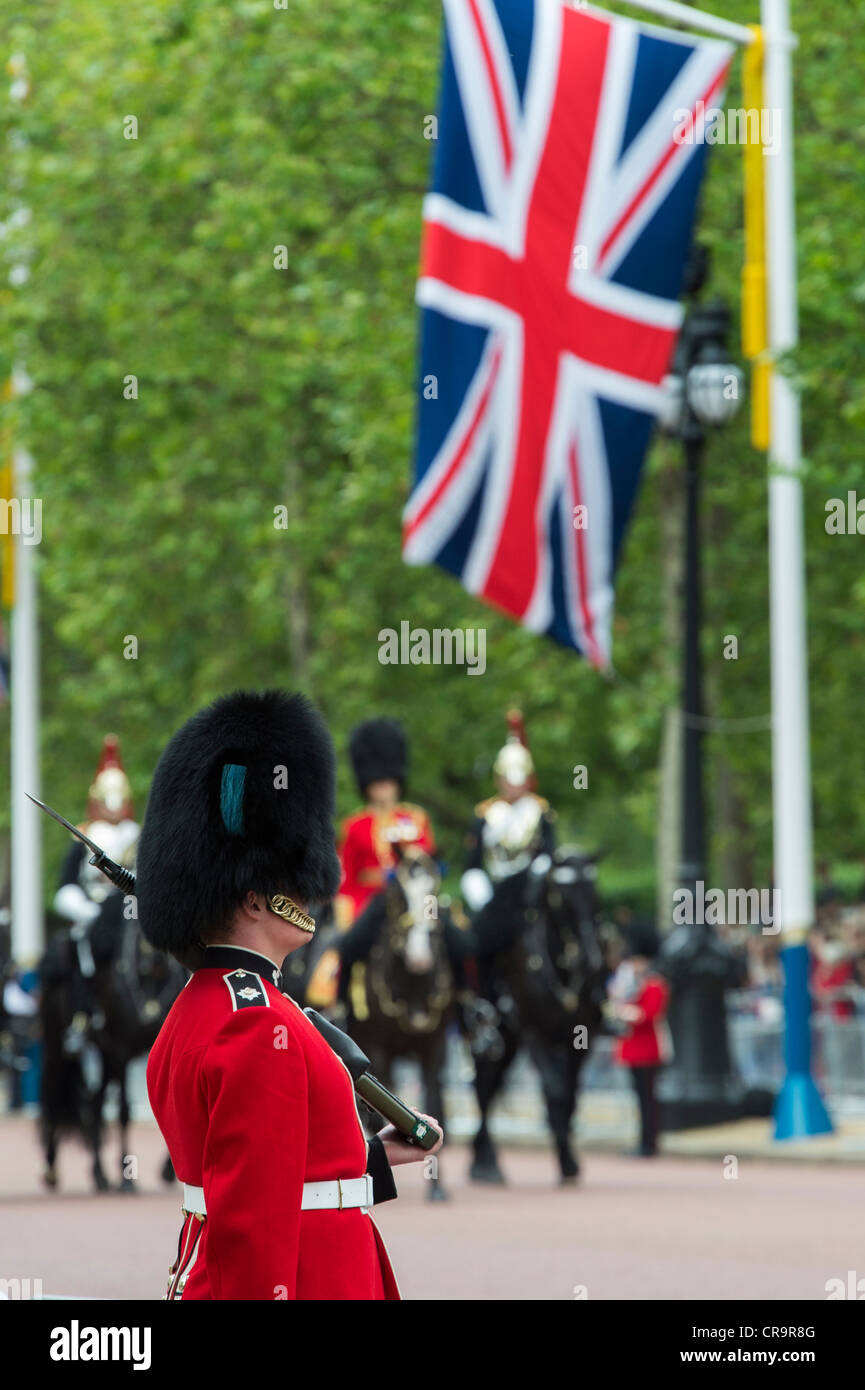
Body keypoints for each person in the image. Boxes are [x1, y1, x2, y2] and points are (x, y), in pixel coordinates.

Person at [138, 689, 442, 1301]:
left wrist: (371, 1159)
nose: (310, 895)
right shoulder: (256, 1024)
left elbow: (273, 1177)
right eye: (294, 884)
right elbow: (253, 1228)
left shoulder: (207, 1005)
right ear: (254, 899)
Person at [306, 717, 436, 1011]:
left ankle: (468, 1006)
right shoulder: (355, 826)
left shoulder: (417, 819)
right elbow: (346, 875)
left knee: (458, 940)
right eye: (378, 783)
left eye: (388, 782)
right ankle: (340, 1006)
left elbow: (429, 865)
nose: (384, 789)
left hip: (417, 900)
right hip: (371, 901)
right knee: (349, 946)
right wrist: (346, 912)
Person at [52, 735, 139, 1056]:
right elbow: (66, 887)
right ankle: (81, 1014)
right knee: (79, 950)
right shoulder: (84, 834)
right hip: (91, 913)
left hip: (128, 914)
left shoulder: (137, 837)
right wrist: (87, 910)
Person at [461, 709, 556, 915]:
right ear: (498, 779)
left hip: (533, 890)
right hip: (496, 890)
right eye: (509, 781)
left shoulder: (540, 810)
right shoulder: (484, 814)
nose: (514, 787)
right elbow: (473, 864)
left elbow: (549, 851)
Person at [606, 921, 669, 1158]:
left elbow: (649, 1014)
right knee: (641, 1099)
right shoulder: (632, 985)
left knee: (647, 1100)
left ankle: (649, 1144)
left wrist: (624, 1011)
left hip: (648, 1050)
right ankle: (644, 1142)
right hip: (633, 1050)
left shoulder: (654, 984)